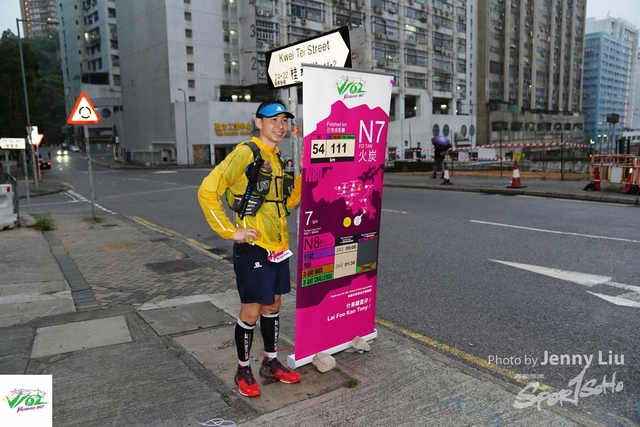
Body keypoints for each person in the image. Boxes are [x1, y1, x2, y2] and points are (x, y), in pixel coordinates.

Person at [198, 98, 303, 397]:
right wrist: (232, 231)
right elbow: (207, 191)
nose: (280, 126)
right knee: (252, 310)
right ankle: (243, 369)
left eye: (284, 120)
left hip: (278, 247)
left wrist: (305, 176)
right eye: (273, 120)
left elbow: (285, 202)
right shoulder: (245, 153)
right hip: (254, 247)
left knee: (273, 305)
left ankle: (270, 362)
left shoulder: (277, 157)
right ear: (258, 122)